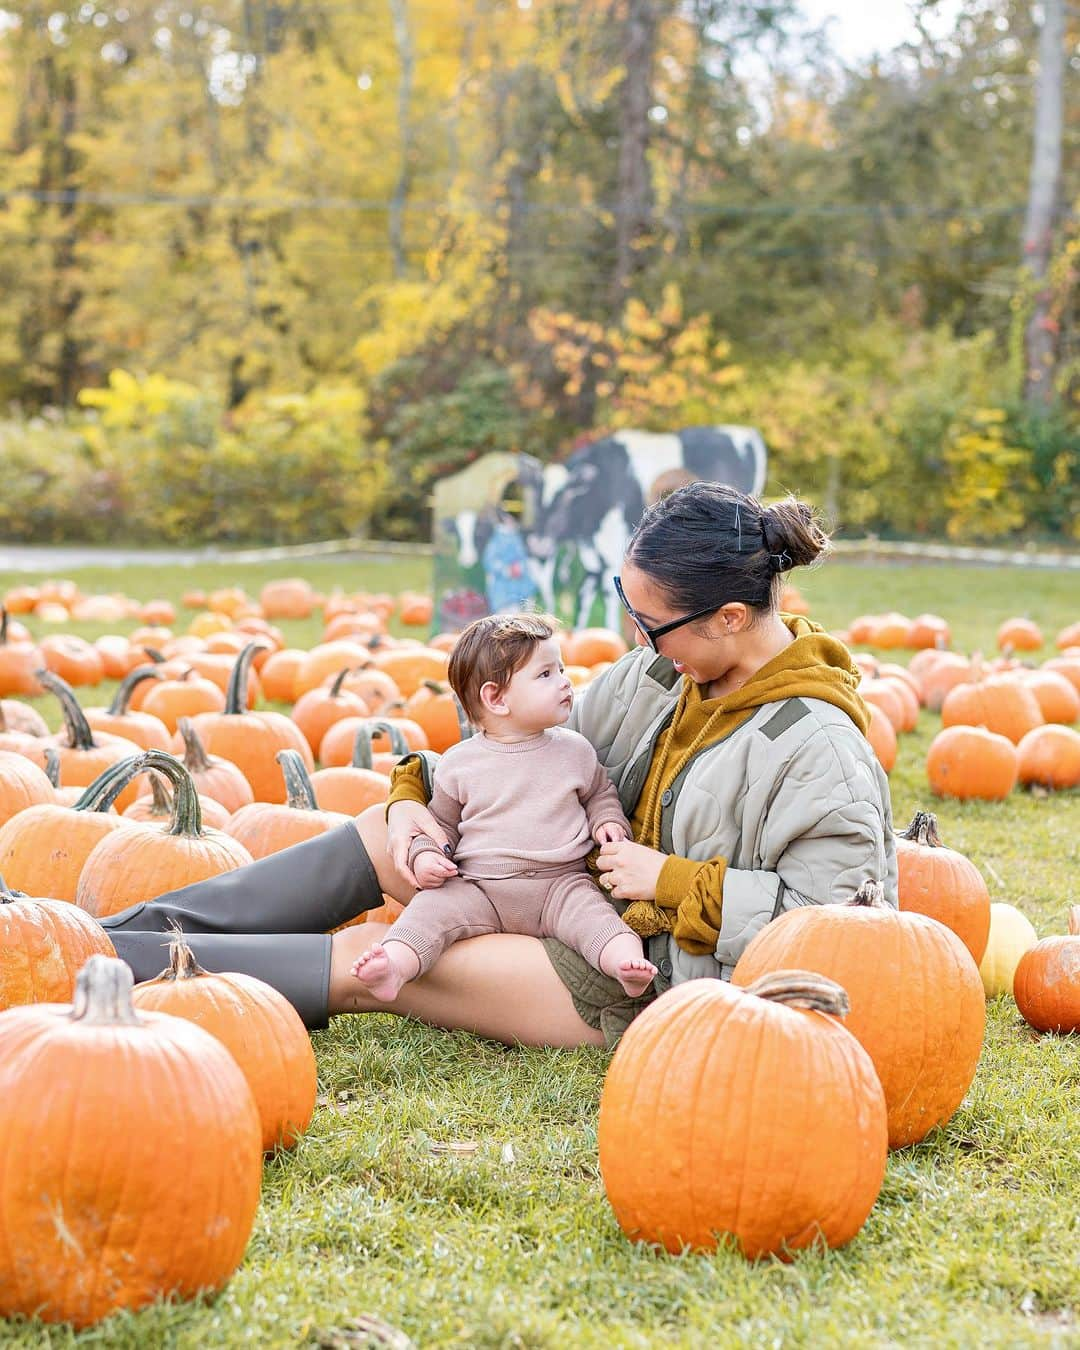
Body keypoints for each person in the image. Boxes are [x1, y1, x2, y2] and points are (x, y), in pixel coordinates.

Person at [100, 482, 897, 1050]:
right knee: (383, 829)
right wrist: (416, 797)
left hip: (632, 973)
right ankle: (98, 939)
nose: (639, 643)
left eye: (653, 626)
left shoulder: (817, 748)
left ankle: (98, 970)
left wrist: (672, 879)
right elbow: (520, 753)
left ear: (729, 616)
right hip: (536, 878)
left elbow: (835, 932)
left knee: (382, 964)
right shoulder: (661, 673)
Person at [349, 613, 656, 1002]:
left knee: (595, 920)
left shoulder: (574, 749)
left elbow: (600, 793)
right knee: (429, 913)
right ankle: (394, 965)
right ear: (495, 698)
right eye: (546, 674)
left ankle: (625, 966)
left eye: (561, 668)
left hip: (560, 885)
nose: (565, 681)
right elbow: (441, 824)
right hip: (480, 886)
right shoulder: (460, 764)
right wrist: (427, 855)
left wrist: (607, 821)